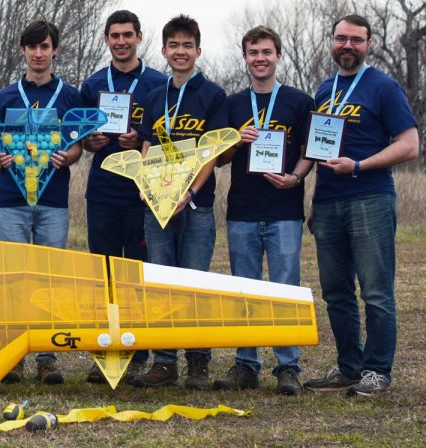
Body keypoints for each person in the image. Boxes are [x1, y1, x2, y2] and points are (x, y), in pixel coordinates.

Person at [302, 14, 418, 397]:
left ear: (368, 43)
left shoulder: (383, 87)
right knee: (335, 291)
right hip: (329, 202)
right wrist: (313, 202)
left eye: (356, 39)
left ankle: (377, 370)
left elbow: (409, 144)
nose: (347, 46)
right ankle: (349, 366)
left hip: (370, 197)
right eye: (341, 38)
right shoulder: (324, 89)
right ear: (331, 41)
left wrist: (359, 165)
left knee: (376, 291)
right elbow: (318, 151)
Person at [214, 26, 314, 396]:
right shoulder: (233, 103)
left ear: (278, 56)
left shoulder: (299, 101)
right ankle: (246, 364)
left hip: (285, 209)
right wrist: (235, 141)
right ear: (245, 57)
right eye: (253, 51)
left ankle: (288, 367)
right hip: (242, 210)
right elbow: (219, 159)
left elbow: (309, 150)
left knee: (284, 289)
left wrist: (295, 177)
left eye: (267, 52)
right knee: (244, 290)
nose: (260, 58)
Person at [0, 20, 83, 385]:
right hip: (11, 199)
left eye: (44, 47)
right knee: (12, 277)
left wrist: (68, 158)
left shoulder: (70, 96)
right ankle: (12, 357)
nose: (38, 53)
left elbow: (78, 143)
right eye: (32, 47)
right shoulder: (5, 96)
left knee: (49, 278)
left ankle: (47, 357)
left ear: (54, 50)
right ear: (23, 51)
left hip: (53, 200)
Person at [133, 15, 228, 390]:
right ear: (164, 51)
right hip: (157, 206)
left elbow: (212, 154)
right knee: (161, 283)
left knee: (194, 284)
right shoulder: (156, 95)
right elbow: (146, 145)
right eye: (174, 45)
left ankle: (198, 362)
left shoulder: (212, 95)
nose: (181, 51)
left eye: (188, 45)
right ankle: (165, 362)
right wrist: (145, 182)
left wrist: (187, 193)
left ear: (198, 51)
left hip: (195, 206)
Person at [78, 9, 168, 385]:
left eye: (127, 35)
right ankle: (109, 351)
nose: (120, 41)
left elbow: (166, 140)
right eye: (114, 36)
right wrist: (90, 141)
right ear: (106, 40)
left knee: (138, 273)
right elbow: (80, 137)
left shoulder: (159, 83)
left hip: (141, 194)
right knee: (105, 274)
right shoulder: (92, 83)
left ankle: (140, 349)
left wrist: (141, 138)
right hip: (102, 190)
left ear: (139, 37)